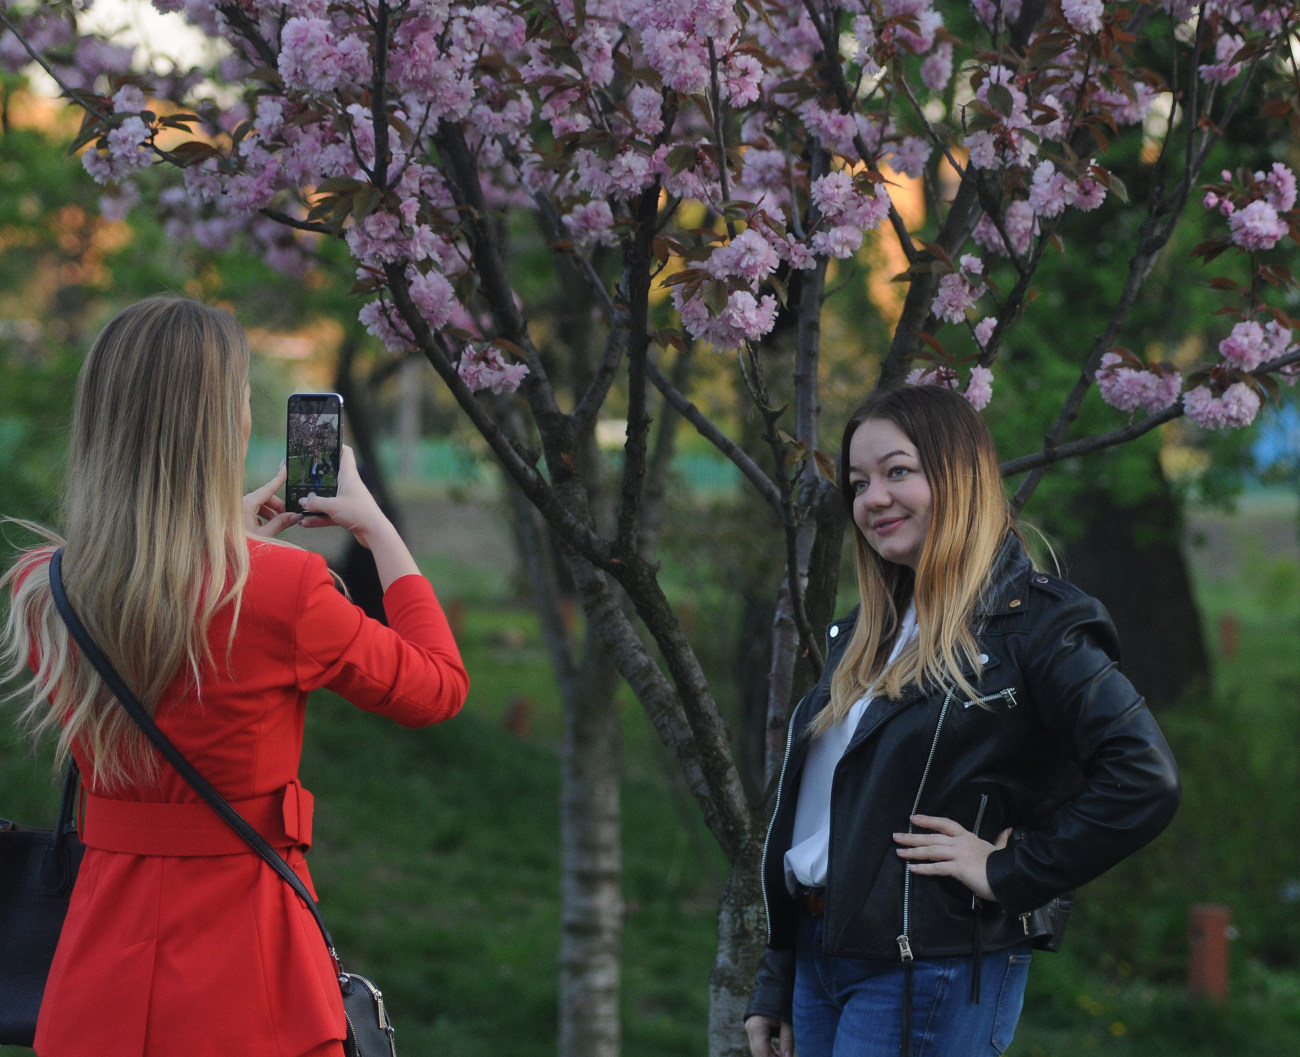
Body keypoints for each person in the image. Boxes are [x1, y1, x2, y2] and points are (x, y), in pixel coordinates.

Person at [1, 295, 470, 1057]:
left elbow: (159, 600)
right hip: (251, 983)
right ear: (223, 426)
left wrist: (225, 539)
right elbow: (439, 685)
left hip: (96, 981)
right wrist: (374, 526)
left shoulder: (41, 589)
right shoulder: (286, 592)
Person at [744, 385, 1180, 1057]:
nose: (872, 498)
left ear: (957, 475)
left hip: (928, 964)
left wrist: (1011, 870)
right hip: (820, 955)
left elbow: (1143, 776)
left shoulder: (1036, 624)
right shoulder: (865, 634)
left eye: (897, 471)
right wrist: (779, 974)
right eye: (859, 483)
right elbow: (821, 823)